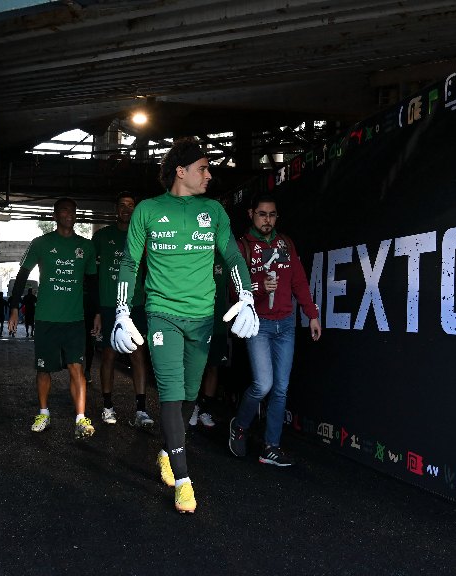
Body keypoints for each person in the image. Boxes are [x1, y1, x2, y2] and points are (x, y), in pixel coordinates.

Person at [111, 137, 259, 513]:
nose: (209, 175)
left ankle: (166, 450)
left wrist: (246, 296)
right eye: (203, 169)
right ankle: (183, 480)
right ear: (181, 172)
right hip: (162, 313)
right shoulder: (147, 210)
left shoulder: (214, 211)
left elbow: (231, 255)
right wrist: (122, 311)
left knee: (190, 393)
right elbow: (130, 263)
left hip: (203, 318)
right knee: (172, 394)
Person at [228, 193, 322, 466]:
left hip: (286, 324)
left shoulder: (286, 244)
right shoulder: (242, 246)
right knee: (263, 385)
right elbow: (234, 292)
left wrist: (312, 315)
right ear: (251, 214)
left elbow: (300, 283)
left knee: (280, 389)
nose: (267, 220)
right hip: (258, 324)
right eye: (262, 214)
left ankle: (271, 446)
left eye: (272, 215)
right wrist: (257, 286)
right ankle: (240, 425)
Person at [8, 198, 98, 439]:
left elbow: (92, 284)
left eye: (72, 211)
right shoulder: (41, 244)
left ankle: (80, 418)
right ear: (55, 215)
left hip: (75, 320)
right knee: (43, 369)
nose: (69, 215)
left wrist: (97, 313)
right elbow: (22, 275)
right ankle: (44, 413)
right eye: (64, 211)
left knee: (76, 367)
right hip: (46, 318)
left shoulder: (86, 247)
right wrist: (14, 307)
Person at [91, 191, 155, 430]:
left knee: (138, 354)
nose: (127, 209)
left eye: (131, 205)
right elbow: (92, 274)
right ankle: (107, 406)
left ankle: (141, 410)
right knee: (109, 355)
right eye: (122, 205)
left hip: (136, 305)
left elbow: (153, 272)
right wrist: (97, 310)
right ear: (115, 210)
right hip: (109, 305)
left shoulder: (143, 237)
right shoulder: (102, 237)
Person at [188, 254, 230, 429]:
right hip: (197, 323)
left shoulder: (224, 259)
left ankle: (205, 409)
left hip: (219, 323)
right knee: (196, 368)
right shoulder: (194, 256)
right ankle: (192, 407)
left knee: (213, 367)